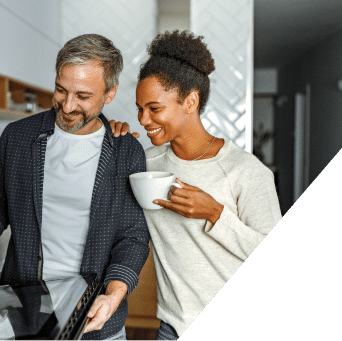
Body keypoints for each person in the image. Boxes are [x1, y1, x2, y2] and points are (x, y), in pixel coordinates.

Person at [0, 34, 150, 340]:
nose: (68, 105)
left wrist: (113, 296)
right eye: (61, 90)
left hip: (95, 319)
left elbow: (133, 239)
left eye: (83, 96)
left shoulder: (126, 153)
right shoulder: (18, 137)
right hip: (24, 311)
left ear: (109, 94)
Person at [115, 30, 282, 340]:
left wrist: (215, 213)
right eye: (139, 109)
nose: (143, 119)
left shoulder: (245, 171)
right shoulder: (145, 164)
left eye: (154, 108)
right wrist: (113, 143)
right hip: (171, 327)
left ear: (190, 101)